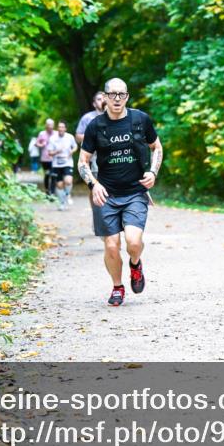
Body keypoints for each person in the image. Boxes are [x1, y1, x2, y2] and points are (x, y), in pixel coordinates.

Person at [78, 78, 163, 307]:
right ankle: (117, 287)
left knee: (133, 243)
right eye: (112, 94)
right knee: (111, 245)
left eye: (121, 94)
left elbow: (157, 147)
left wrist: (153, 173)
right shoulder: (96, 126)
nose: (117, 99)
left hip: (135, 192)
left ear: (127, 96)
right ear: (104, 97)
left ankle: (135, 264)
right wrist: (94, 184)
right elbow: (83, 161)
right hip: (107, 194)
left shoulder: (140, 119)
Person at [47, 121, 78, 210]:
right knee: (59, 185)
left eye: (62, 127)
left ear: (65, 128)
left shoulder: (70, 137)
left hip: (67, 162)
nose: (61, 129)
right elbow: (49, 153)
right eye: (59, 127)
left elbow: (75, 146)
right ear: (57, 128)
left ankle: (67, 195)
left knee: (68, 181)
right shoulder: (52, 138)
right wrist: (57, 151)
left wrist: (72, 151)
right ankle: (62, 203)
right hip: (56, 164)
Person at [76, 90, 105, 178]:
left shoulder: (115, 116)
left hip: (114, 156)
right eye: (99, 99)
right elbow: (78, 137)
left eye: (104, 98)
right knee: (97, 185)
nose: (102, 101)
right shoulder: (87, 118)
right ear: (94, 104)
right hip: (95, 157)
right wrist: (95, 137)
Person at [35, 119, 57, 195]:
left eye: (52, 125)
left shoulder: (56, 134)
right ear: (46, 126)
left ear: (54, 125)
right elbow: (36, 143)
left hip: (54, 158)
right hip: (45, 159)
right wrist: (41, 145)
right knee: (47, 174)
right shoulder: (42, 134)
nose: (50, 127)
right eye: (49, 125)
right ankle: (47, 191)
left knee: (54, 175)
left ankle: (53, 192)